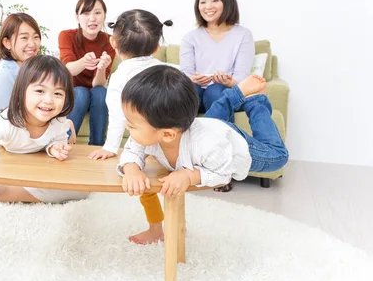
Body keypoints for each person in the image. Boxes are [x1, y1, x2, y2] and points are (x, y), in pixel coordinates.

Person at [117, 65, 288, 244]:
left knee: (278, 156)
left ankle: (256, 101)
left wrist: (190, 175)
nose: (127, 127)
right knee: (210, 120)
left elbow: (222, 175)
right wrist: (131, 169)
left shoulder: (210, 147)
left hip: (230, 145)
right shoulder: (152, 135)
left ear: (167, 134)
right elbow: (131, 151)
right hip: (205, 127)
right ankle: (234, 94)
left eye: (132, 125)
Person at [0, 14, 75, 204]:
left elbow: (55, 136)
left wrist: (55, 146)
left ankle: (12, 190)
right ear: (7, 42)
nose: (32, 43)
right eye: (24, 37)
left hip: (31, 150)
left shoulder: (53, 114)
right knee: (63, 187)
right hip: (5, 151)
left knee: (79, 188)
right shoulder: (6, 82)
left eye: (36, 36)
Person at [0, 55, 89, 204]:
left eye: (57, 94)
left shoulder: (59, 121)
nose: (49, 100)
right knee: (69, 190)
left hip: (38, 170)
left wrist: (54, 148)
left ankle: (7, 191)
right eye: (40, 91)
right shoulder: (7, 122)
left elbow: (56, 141)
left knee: (83, 190)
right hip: (11, 166)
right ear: (22, 91)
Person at [87, 9, 173, 160]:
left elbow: (117, 115)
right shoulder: (168, 70)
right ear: (156, 48)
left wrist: (110, 147)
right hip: (171, 141)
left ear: (113, 43)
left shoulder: (120, 77)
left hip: (141, 142)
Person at [180, 0, 255, 119]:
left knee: (215, 90)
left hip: (225, 93)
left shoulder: (243, 35)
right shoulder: (190, 37)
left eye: (214, 0)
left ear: (227, 3)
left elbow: (241, 77)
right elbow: (184, 75)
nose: (208, 6)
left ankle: (222, 140)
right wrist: (193, 79)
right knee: (190, 90)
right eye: (202, 2)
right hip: (196, 95)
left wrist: (228, 82)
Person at [58, 0, 115, 146]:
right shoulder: (66, 36)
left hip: (97, 96)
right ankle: (65, 142)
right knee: (81, 92)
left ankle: (97, 145)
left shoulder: (110, 41)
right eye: (86, 13)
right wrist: (84, 62)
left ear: (104, 16)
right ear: (77, 17)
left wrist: (101, 68)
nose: (92, 18)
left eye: (97, 13)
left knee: (101, 92)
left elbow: (98, 84)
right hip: (73, 93)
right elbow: (68, 69)